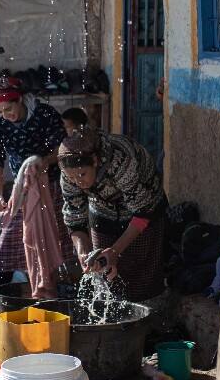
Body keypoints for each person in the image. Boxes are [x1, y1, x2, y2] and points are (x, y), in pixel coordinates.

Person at [0, 76, 72, 311]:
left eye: (9, 108)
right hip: (22, 188)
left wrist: (43, 162)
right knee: (10, 237)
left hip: (53, 185)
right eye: (1, 111)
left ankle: (60, 290)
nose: (7, 115)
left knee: (55, 239)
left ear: (20, 100)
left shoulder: (44, 114)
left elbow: (62, 147)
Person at [58, 126, 169, 309]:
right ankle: (113, 319)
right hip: (103, 210)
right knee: (105, 275)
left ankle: (146, 322)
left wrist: (115, 251)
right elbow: (74, 218)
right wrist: (82, 251)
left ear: (94, 161)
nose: (79, 182)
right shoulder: (68, 175)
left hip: (144, 208)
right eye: (72, 178)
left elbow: (143, 212)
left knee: (140, 275)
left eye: (82, 174)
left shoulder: (120, 159)